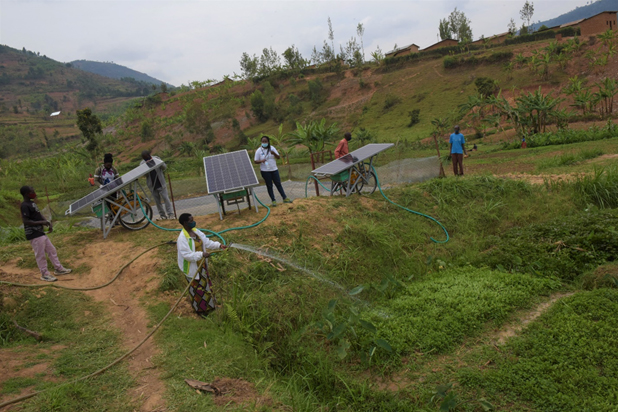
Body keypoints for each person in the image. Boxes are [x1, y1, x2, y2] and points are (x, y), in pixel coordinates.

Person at [176, 213, 227, 315]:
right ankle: (202, 312)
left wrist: (219, 245)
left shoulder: (196, 232)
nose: (193, 222)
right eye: (191, 221)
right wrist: (201, 254)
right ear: (185, 223)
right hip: (192, 268)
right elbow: (187, 255)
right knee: (197, 290)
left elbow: (206, 242)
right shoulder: (182, 238)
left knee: (207, 286)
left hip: (202, 265)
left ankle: (211, 306)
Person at [20, 186, 71, 282]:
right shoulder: (24, 205)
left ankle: (58, 268)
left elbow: (38, 215)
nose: (34, 193)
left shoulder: (32, 203)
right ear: (27, 194)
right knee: (40, 254)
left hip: (40, 232)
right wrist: (41, 223)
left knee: (51, 250)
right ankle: (44, 274)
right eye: (32, 191)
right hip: (34, 234)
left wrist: (46, 222)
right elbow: (26, 221)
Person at [254, 136, 292, 207]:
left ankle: (284, 198)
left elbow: (278, 157)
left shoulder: (272, 148)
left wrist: (274, 153)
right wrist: (261, 161)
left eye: (265, 141)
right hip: (265, 171)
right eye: (263, 141)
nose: (264, 143)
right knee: (269, 186)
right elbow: (255, 161)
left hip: (274, 169)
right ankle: (273, 200)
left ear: (268, 142)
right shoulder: (259, 150)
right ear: (261, 142)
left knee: (278, 184)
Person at [140, 150, 174, 220]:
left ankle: (170, 214)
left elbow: (164, 167)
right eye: (145, 158)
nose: (146, 159)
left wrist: (158, 162)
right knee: (157, 201)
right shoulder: (142, 163)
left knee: (166, 198)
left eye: (147, 158)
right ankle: (162, 216)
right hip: (152, 185)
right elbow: (144, 174)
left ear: (150, 155)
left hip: (161, 183)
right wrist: (146, 166)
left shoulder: (156, 158)